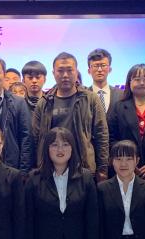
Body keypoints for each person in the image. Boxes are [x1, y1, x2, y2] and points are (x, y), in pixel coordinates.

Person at [32, 52, 110, 180]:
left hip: (83, 168)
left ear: (76, 72)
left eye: (69, 70)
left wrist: (102, 169)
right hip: (50, 170)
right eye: (60, 71)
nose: (65, 75)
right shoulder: (44, 102)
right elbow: (35, 138)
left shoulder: (90, 99)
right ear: (53, 73)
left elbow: (102, 135)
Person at [87, 48, 122, 115]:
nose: (100, 70)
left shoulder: (121, 94)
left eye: (103, 65)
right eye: (96, 66)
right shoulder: (84, 96)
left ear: (110, 69)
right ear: (89, 71)